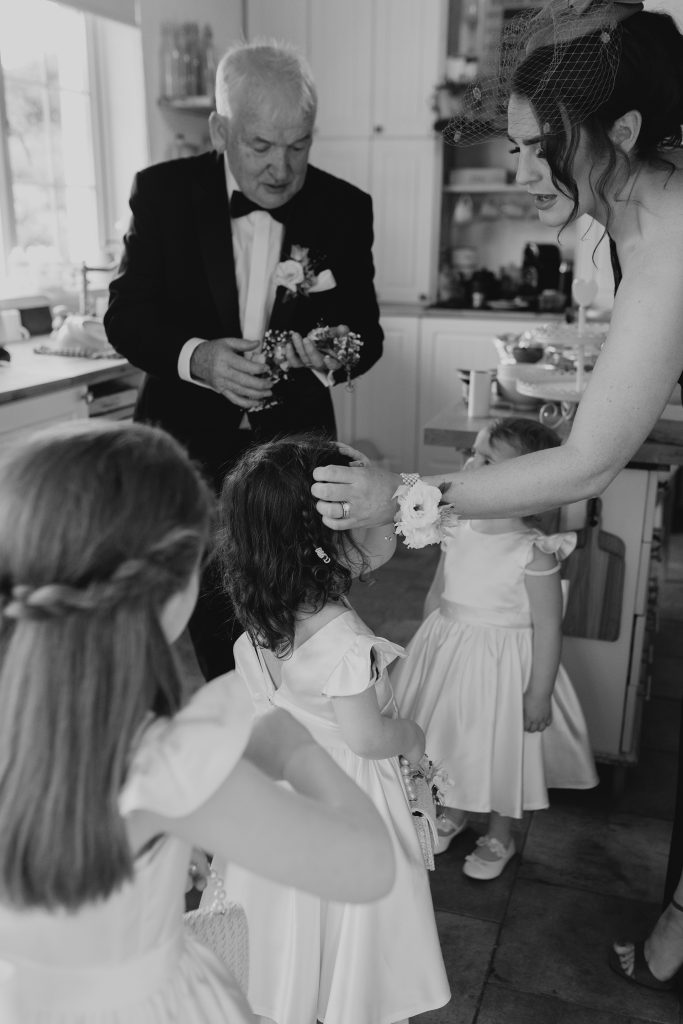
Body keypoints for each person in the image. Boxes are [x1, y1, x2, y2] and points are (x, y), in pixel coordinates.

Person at [310, 0, 683, 990]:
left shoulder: (670, 245)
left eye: (535, 149)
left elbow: (583, 465)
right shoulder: (631, 227)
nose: (525, 173)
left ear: (621, 135)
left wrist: (408, 493)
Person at [0, 420, 396, 1024]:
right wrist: (293, 752)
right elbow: (368, 867)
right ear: (176, 589)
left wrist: (164, 851)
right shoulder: (168, 766)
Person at [104, 40, 384, 681]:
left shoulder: (345, 207)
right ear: (220, 130)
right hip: (185, 449)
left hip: (292, 456)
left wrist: (325, 351)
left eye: (300, 145)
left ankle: (299, 732)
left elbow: (366, 334)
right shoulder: (163, 193)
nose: (282, 169)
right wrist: (197, 358)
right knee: (199, 606)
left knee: (301, 607)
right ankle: (233, 729)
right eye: (261, 146)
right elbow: (125, 315)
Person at [207, 434, 450, 1024]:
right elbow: (368, 739)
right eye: (372, 516)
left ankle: (287, 995)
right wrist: (412, 736)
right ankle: (340, 997)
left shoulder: (260, 618)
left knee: (287, 916)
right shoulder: (346, 643)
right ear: (330, 546)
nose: (387, 521)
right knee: (345, 922)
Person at [391, 419, 598, 879]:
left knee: (499, 747)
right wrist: (425, 648)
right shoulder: (457, 527)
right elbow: (437, 592)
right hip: (450, 647)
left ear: (526, 479)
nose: (472, 463)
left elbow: (548, 627)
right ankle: (455, 810)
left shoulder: (534, 551)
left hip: (504, 665)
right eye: (474, 452)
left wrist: (539, 693)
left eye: (488, 459)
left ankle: (499, 834)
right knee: (449, 738)